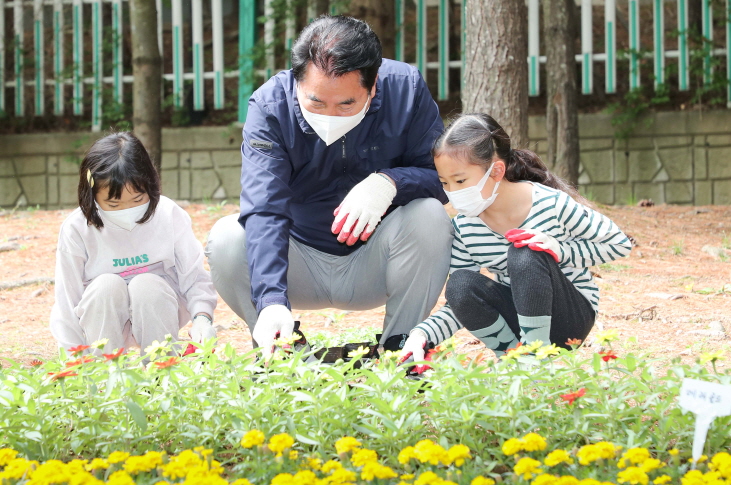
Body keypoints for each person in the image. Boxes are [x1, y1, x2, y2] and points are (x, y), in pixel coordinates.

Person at [206, 15, 453, 356]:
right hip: (297, 264)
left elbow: (443, 179)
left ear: (374, 84)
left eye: (347, 103)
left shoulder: (406, 89)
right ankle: (281, 349)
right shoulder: (269, 108)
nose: (331, 115)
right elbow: (265, 208)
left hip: (378, 262)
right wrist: (271, 299)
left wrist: (391, 182)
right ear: (297, 81)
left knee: (430, 216)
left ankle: (400, 352)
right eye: (316, 102)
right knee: (227, 238)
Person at [400, 114, 633, 361]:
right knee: (459, 284)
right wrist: (421, 334)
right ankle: (515, 359)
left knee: (525, 249)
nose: (453, 193)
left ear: (496, 170)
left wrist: (560, 250)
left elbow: (618, 244)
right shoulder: (466, 227)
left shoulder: (550, 203)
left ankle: (535, 356)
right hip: (519, 315)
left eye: (460, 180)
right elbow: (461, 301)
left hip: (569, 318)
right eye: (445, 183)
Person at [50, 132, 218, 355]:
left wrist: (202, 319)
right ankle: (105, 374)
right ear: (91, 195)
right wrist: (73, 357)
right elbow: (67, 299)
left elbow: (194, 277)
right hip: (100, 313)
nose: (127, 210)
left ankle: (161, 372)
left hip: (159, 306)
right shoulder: (77, 228)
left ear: (151, 185)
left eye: (138, 200)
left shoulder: (168, 215)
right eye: (113, 204)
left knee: (147, 285)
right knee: (105, 287)